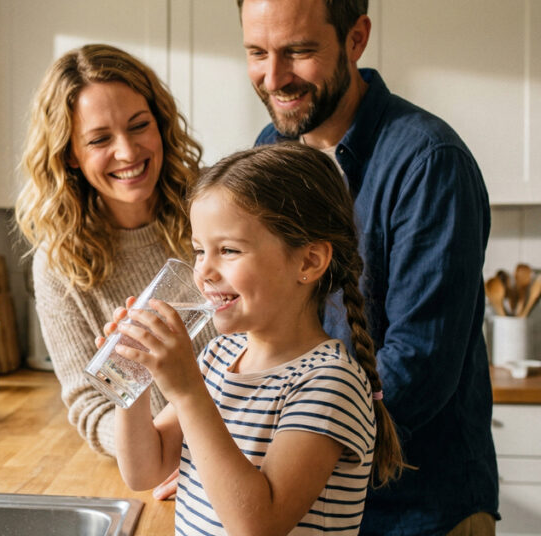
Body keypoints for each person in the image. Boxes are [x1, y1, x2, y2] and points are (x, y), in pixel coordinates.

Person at [232, 0, 498, 534]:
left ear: (356, 37)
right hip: (312, 501)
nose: (273, 77)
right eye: (257, 52)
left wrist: (289, 461)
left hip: (419, 511)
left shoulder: (430, 163)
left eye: (297, 50)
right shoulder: (270, 151)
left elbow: (418, 366)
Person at [110, 142, 403, 535]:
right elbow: (144, 470)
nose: (204, 272)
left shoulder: (330, 383)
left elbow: (258, 525)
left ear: (308, 261)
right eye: (200, 250)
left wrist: (187, 391)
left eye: (228, 250)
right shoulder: (219, 355)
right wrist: (133, 377)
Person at [14, 44, 218, 464]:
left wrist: (214, 455)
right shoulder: (58, 264)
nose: (127, 152)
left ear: (160, 124)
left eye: (139, 125)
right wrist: (157, 453)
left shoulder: (214, 210)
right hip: (161, 468)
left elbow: (270, 341)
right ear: (70, 151)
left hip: (260, 447)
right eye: (100, 139)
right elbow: (93, 403)